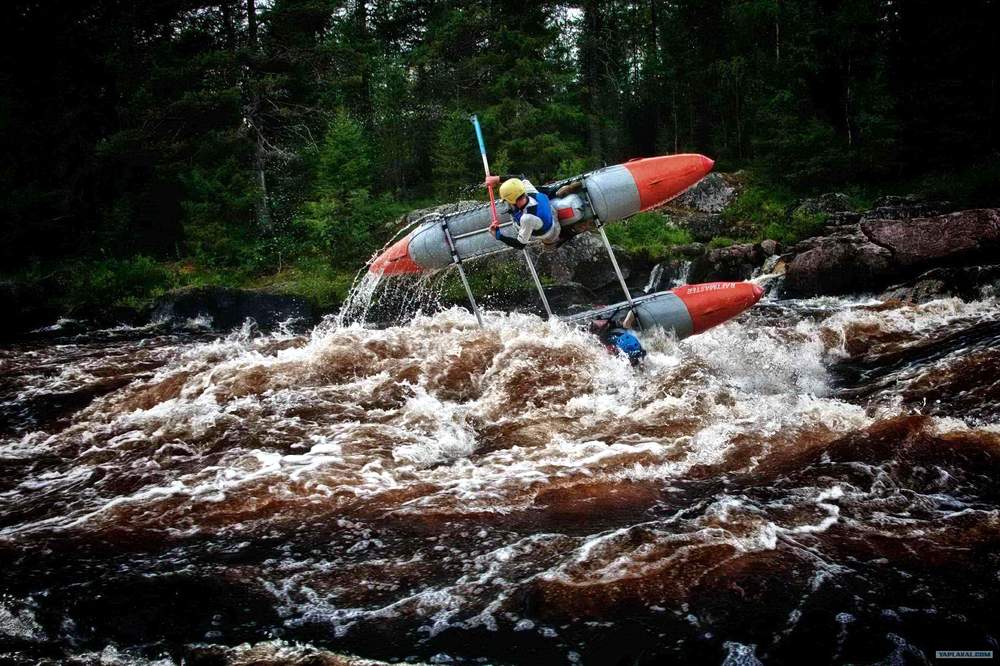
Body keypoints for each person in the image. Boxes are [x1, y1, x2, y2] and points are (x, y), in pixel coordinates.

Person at [487, 177, 561, 249]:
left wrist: (499, 236)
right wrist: (497, 179)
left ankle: (550, 245)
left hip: (550, 233)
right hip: (551, 215)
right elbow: (520, 178)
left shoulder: (527, 218)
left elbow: (520, 245)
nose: (507, 202)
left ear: (511, 200)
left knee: (518, 223)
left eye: (506, 201)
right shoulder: (530, 191)